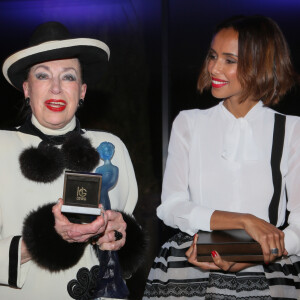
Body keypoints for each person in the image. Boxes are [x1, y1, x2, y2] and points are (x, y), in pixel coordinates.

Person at [144, 15, 300, 299]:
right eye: (213, 56)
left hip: (270, 270)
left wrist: (258, 254)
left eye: (230, 60)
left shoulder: (291, 129)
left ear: (261, 64)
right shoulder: (188, 123)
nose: (214, 67)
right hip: (191, 267)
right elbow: (171, 206)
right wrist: (242, 221)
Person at [0, 21, 145, 299]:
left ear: (82, 91)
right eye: (42, 76)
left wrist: (119, 238)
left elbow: (127, 245)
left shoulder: (110, 148)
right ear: (27, 89)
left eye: (68, 77)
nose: (56, 88)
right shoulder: (1, 148)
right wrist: (41, 242)